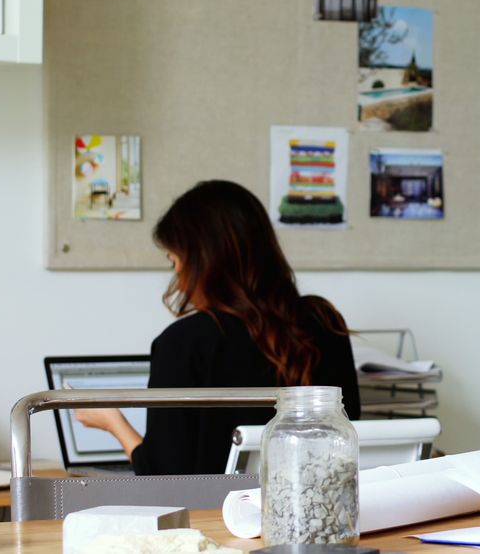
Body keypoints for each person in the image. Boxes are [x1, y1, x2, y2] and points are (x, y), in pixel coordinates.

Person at [76, 180, 361, 475]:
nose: (175, 272)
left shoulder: (184, 342)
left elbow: (163, 477)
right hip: (312, 511)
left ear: (200, 262)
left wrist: (114, 423)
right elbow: (349, 433)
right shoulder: (325, 322)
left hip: (213, 518)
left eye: (174, 259)